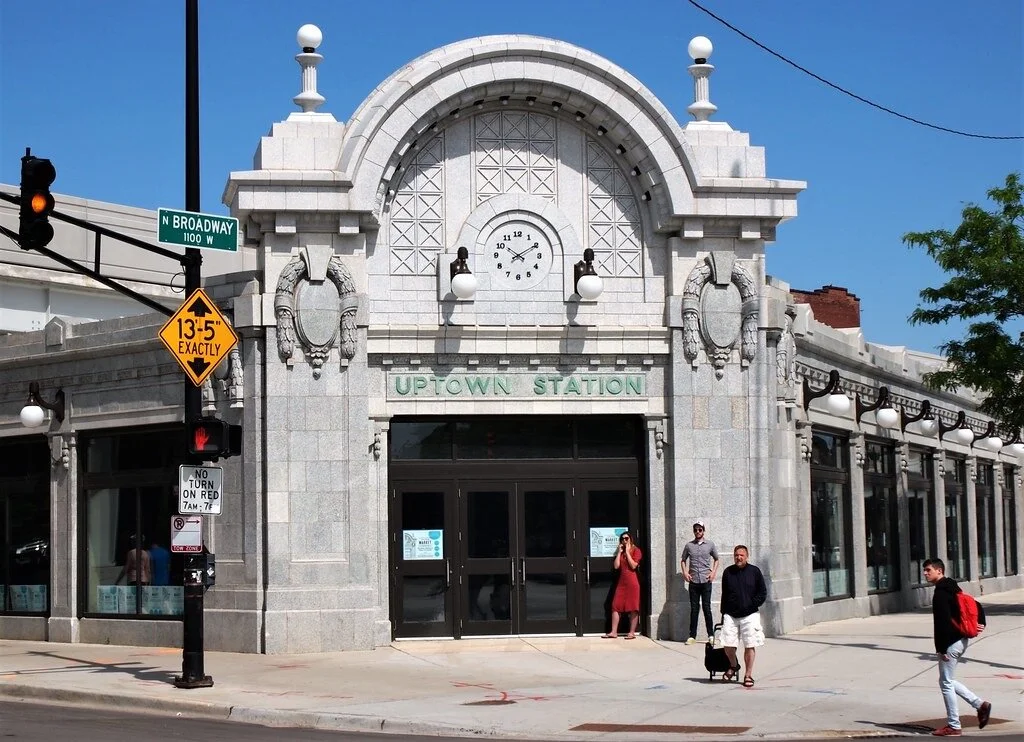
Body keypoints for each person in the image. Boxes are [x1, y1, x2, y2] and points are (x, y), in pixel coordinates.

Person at [923, 558, 992, 736]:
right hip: (961, 640)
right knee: (947, 680)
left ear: (939, 571)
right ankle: (980, 705)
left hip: (951, 643)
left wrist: (942, 648)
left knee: (946, 683)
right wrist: (981, 621)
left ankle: (954, 725)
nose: (925, 573)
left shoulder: (940, 593)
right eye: (924, 570)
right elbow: (974, 603)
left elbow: (942, 623)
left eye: (928, 570)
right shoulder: (952, 587)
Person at [720, 545, 766, 687]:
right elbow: (724, 594)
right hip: (731, 614)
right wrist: (723, 613)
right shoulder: (728, 572)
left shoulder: (755, 572)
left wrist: (752, 605)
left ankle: (748, 675)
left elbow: (762, 593)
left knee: (750, 644)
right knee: (727, 644)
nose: (738, 557)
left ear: (747, 556)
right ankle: (734, 665)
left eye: (741, 555)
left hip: (749, 614)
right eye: (736, 555)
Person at [681, 520, 719, 644]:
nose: (698, 532)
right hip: (694, 582)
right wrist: (685, 572)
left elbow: (717, 559)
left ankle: (711, 635)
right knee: (694, 609)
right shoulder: (689, 545)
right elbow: (683, 560)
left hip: (706, 581)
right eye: (695, 530)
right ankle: (692, 636)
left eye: (700, 529)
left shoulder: (710, 545)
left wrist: (713, 572)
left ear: (703, 531)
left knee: (707, 608)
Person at [602, 531, 642, 639]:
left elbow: (633, 566)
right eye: (622, 539)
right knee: (615, 606)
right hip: (622, 583)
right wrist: (619, 552)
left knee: (633, 607)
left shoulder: (636, 551)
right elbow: (616, 566)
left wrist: (628, 552)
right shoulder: (622, 552)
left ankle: (632, 632)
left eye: (626, 538)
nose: (624, 541)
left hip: (632, 583)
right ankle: (613, 632)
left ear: (631, 539)